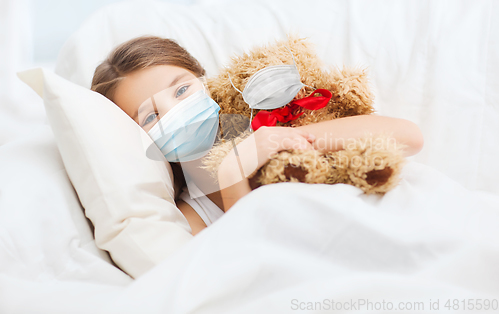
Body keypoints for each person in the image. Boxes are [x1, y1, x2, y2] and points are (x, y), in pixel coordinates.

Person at [91, 35, 424, 236]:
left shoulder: (268, 119)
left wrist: (281, 138)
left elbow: (408, 137)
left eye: (181, 90)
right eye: (150, 116)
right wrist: (233, 170)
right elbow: (254, 258)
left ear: (205, 82)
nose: (176, 112)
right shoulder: (190, 215)